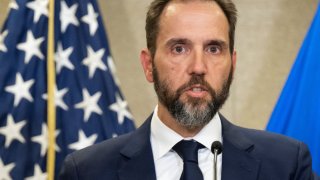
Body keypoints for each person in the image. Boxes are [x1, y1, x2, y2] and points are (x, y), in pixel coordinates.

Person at [59, 0, 317, 179]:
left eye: (213, 49)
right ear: (148, 65)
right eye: (179, 48)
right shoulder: (87, 171)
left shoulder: (286, 165)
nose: (198, 67)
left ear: (233, 65)